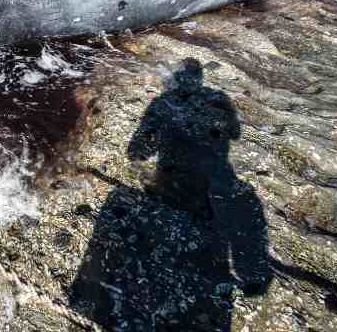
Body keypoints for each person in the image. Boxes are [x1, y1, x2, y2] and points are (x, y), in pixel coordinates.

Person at [71, 58, 270, 330]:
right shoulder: (218, 99)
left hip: (167, 191)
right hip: (206, 200)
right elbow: (234, 132)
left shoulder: (162, 104)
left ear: (175, 82)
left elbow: (137, 151)